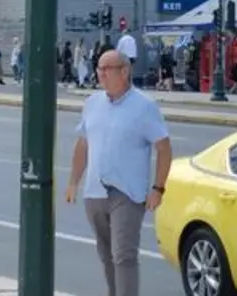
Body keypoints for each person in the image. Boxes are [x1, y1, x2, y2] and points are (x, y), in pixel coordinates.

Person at [65, 50, 172, 296]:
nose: (100, 73)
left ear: (124, 71)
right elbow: (83, 144)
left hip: (127, 192)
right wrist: (73, 182)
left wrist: (158, 188)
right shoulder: (92, 103)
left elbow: (163, 147)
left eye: (106, 69)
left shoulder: (144, 106)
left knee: (123, 255)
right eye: (98, 68)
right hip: (94, 191)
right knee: (106, 254)